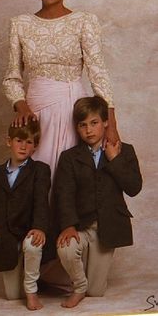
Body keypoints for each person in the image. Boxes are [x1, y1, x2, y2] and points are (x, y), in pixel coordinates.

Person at [3, 0, 120, 180]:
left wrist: (111, 124)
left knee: (69, 180)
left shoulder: (83, 21)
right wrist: (21, 106)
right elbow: (12, 77)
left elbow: (99, 75)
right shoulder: (20, 24)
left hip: (73, 110)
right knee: (36, 181)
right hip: (35, 110)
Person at [54, 96, 142, 308]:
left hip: (108, 227)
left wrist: (115, 160)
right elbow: (63, 193)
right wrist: (68, 225)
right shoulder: (69, 157)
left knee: (96, 292)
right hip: (81, 225)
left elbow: (134, 188)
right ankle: (78, 286)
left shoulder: (124, 151)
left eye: (94, 123)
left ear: (105, 123)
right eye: (83, 125)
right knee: (66, 248)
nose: (88, 130)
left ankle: (88, 284)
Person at [0, 120, 51, 311]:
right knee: (12, 296)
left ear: (35, 146)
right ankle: (28, 281)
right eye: (19, 140)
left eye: (29, 142)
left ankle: (32, 290)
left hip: (28, 231)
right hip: (5, 237)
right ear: (9, 141)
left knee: (33, 244)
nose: (23, 146)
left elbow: (41, 202)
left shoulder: (40, 170)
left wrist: (40, 227)